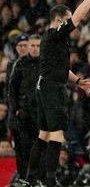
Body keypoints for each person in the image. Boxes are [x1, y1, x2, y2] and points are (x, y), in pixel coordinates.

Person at [13, 0, 90, 187]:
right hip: (51, 89)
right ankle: (50, 180)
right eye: (68, 19)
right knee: (57, 135)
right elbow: (79, 17)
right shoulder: (54, 35)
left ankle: (28, 178)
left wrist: (78, 80)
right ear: (60, 20)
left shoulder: (52, 40)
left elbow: (60, 69)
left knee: (44, 135)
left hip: (44, 86)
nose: (72, 24)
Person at [8, 34, 41, 180]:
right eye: (32, 45)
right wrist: (15, 109)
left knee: (40, 149)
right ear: (29, 47)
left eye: (38, 46)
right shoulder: (20, 63)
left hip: (40, 115)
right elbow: (12, 88)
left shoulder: (46, 63)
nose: (35, 49)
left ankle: (37, 179)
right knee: (23, 150)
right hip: (23, 115)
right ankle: (24, 179)